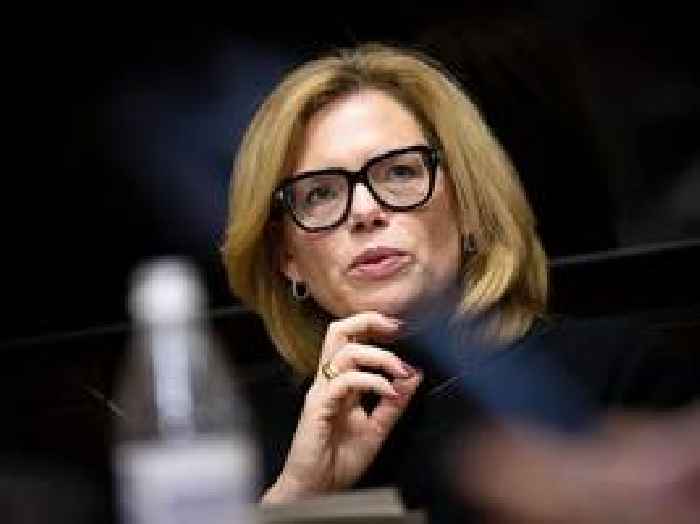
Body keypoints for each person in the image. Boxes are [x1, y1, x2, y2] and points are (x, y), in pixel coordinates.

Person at [221, 43, 699, 522]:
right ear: (287, 257)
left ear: (469, 207)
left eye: (400, 171)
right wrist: (298, 493)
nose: (365, 211)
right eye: (319, 194)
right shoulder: (240, 441)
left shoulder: (621, 376)